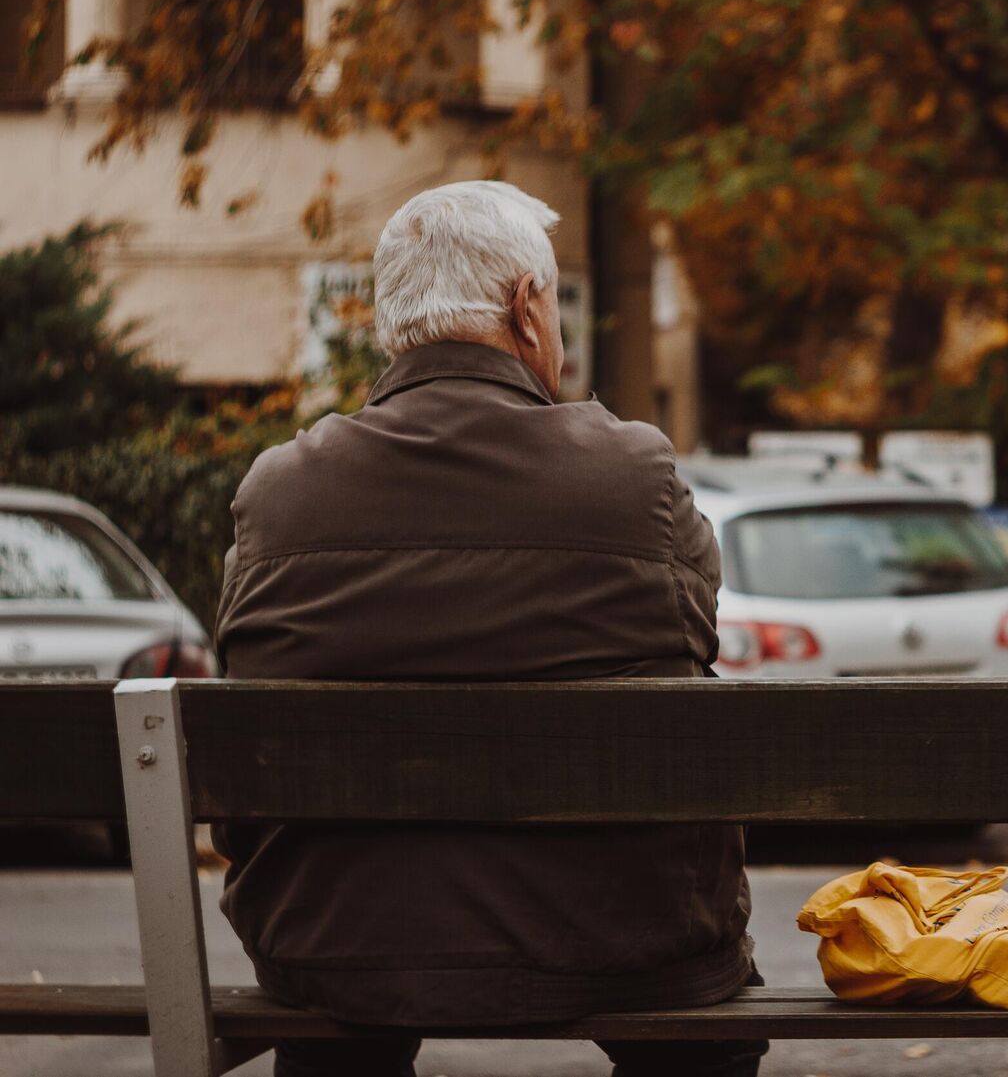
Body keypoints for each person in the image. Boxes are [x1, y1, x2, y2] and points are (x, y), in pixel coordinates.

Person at [214, 181, 760, 1077]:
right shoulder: (635, 478)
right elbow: (694, 634)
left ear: (394, 324)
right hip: (620, 933)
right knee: (700, 1023)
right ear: (525, 307)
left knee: (346, 994)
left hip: (337, 943)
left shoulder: (280, 492)